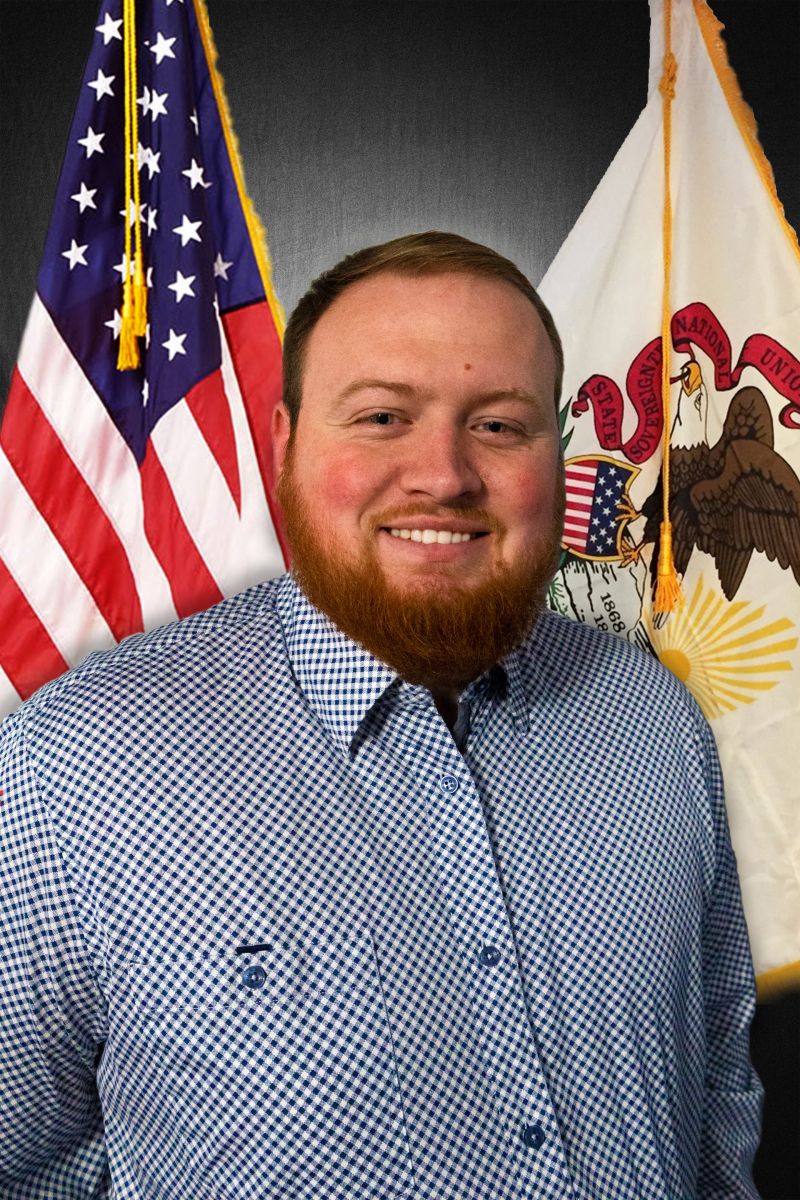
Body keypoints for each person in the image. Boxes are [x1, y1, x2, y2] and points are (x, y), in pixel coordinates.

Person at [0, 232, 762, 1198]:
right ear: (283, 444)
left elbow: (718, 1101)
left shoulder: (654, 721)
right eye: (381, 417)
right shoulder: (78, 761)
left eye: (498, 425)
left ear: (557, 457)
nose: (443, 475)